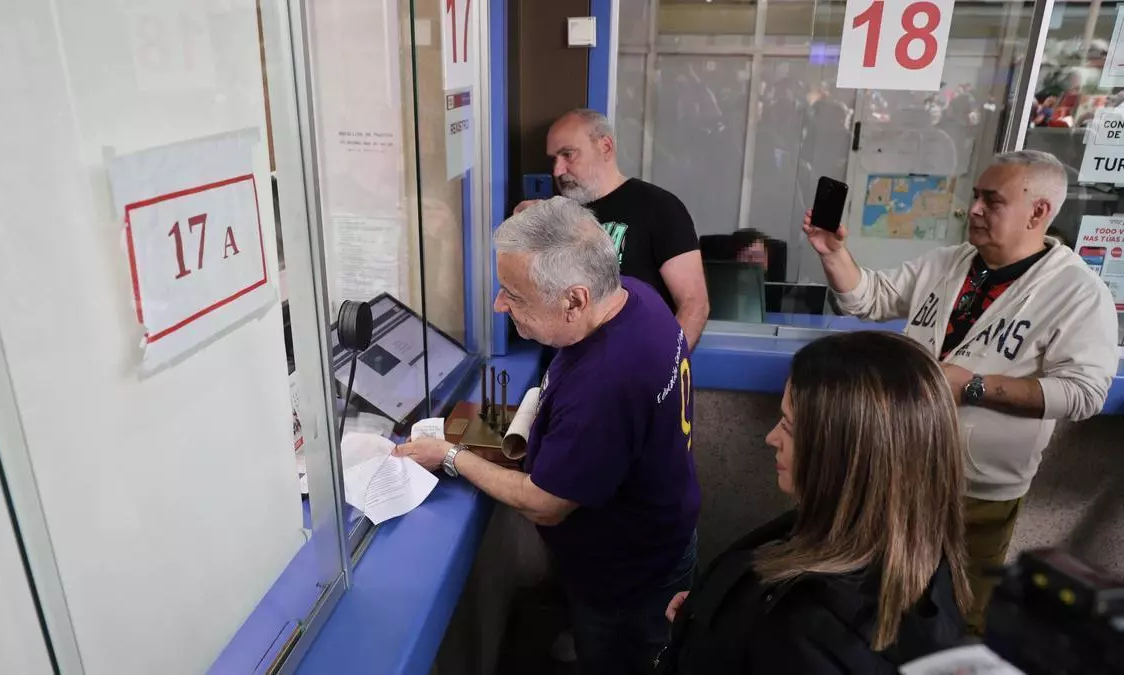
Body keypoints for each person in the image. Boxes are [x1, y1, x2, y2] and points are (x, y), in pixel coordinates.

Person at [802, 149, 1119, 634]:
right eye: (975, 197)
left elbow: (1083, 393)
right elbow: (870, 298)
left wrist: (972, 387)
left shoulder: (1077, 292)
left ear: (1038, 212)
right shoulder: (947, 262)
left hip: (980, 490)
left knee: (957, 613)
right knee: (879, 594)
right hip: (901, 468)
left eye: (992, 201)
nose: (973, 209)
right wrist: (833, 253)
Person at [396, 197, 700, 675]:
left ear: (575, 300)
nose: (499, 305)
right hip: (663, 535)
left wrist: (450, 455)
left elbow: (545, 503)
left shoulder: (605, 383)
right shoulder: (634, 295)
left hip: (632, 577)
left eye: (513, 295)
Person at [657, 331, 970, 674]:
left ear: (845, 458)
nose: (771, 437)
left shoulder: (803, 632)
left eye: (789, 427)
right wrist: (706, 620)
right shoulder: (906, 549)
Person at [514, 109, 709, 349]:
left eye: (568, 154)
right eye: (554, 159)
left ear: (605, 147)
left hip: (637, 360)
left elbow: (694, 303)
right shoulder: (560, 215)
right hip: (570, 363)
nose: (557, 170)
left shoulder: (658, 207)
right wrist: (522, 235)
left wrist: (666, 365)